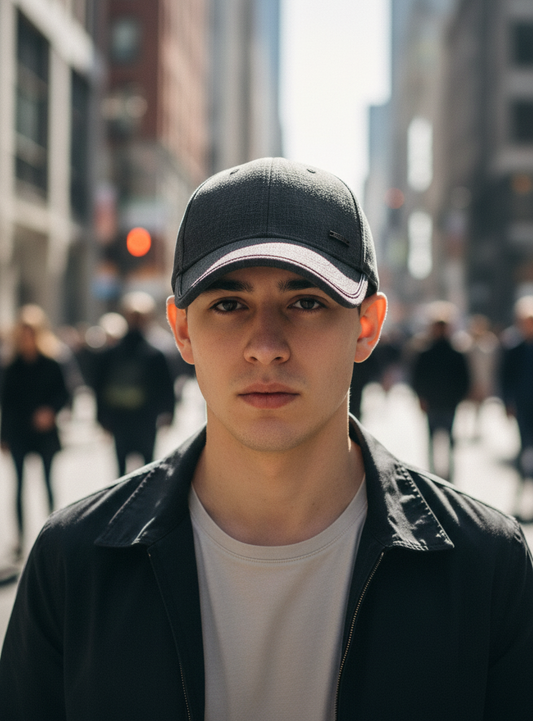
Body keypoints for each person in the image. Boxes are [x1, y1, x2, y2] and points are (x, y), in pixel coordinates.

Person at [0, 158, 532, 720]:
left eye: (307, 303)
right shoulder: (72, 562)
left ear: (367, 327)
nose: (266, 346)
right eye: (229, 304)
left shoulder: (485, 566)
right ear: (182, 331)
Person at [0, 305, 70, 560]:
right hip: (18, 432)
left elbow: (65, 393)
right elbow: (5, 402)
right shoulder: (12, 365)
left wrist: (50, 411)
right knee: (17, 485)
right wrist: (3, 436)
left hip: (45, 433)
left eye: (31, 331)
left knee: (48, 483)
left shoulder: (52, 361)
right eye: (23, 332)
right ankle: (19, 538)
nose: (27, 336)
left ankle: (52, 534)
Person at [93, 291, 176, 476]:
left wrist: (101, 417)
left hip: (133, 417)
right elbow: (100, 385)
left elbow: (165, 385)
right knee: (142, 469)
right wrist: (170, 412)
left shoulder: (114, 352)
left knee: (132, 469)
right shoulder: (153, 353)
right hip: (133, 417)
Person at [411, 303, 470, 482]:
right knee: (432, 440)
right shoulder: (425, 353)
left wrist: (458, 398)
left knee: (450, 440)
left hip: (448, 403)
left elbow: (464, 379)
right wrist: (420, 398)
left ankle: (449, 475)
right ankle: (432, 475)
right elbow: (417, 378)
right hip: (433, 403)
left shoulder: (456, 353)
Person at [501, 295, 533, 520]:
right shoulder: (514, 348)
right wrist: (507, 402)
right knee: (523, 454)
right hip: (523, 407)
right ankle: (520, 500)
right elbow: (506, 378)